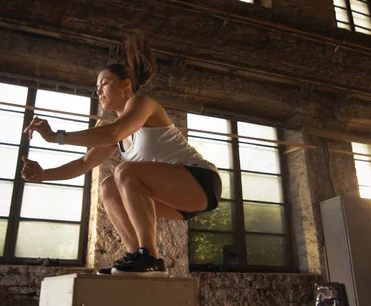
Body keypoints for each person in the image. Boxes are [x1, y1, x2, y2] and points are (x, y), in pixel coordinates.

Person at [21, 31, 221, 277]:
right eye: (96, 88)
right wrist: (43, 175)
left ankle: (149, 257)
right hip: (176, 202)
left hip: (201, 182)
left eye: (104, 83)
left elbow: (112, 133)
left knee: (124, 171)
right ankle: (137, 255)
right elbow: (83, 163)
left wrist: (55, 137)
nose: (99, 91)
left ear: (125, 85)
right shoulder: (117, 135)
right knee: (108, 186)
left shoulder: (142, 104)